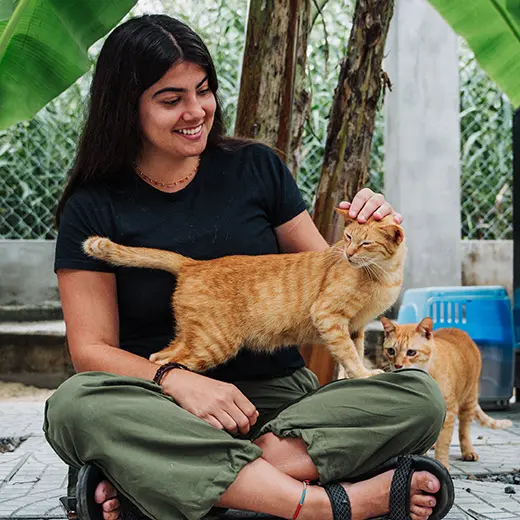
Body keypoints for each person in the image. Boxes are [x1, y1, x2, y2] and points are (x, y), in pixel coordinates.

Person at [44, 14, 451, 520]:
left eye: (204, 90)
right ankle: (321, 502)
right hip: (163, 404)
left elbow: (327, 278)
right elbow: (90, 351)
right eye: (171, 100)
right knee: (73, 405)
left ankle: (163, 482)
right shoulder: (93, 204)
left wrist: (378, 235)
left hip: (281, 408)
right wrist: (176, 379)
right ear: (127, 108)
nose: (196, 111)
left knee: (420, 394)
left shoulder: (255, 167)